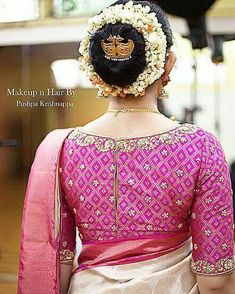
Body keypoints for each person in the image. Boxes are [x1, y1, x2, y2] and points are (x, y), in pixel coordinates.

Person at [18, 1, 235, 293]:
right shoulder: (200, 148)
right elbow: (216, 282)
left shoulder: (64, 149)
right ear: (168, 63)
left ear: (95, 67)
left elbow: (57, 268)